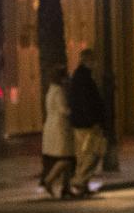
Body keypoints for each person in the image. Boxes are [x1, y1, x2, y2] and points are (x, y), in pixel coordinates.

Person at [66, 48, 109, 198]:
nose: (95, 63)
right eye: (93, 59)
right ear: (87, 60)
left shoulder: (80, 77)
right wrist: (94, 121)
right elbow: (86, 102)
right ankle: (79, 181)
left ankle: (83, 185)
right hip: (86, 124)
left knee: (84, 154)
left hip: (81, 122)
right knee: (91, 153)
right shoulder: (83, 78)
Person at [39, 66, 72, 198]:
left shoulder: (50, 91)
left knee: (66, 156)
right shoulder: (58, 92)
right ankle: (49, 180)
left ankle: (66, 187)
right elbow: (63, 109)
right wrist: (73, 112)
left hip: (53, 127)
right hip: (60, 128)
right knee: (66, 157)